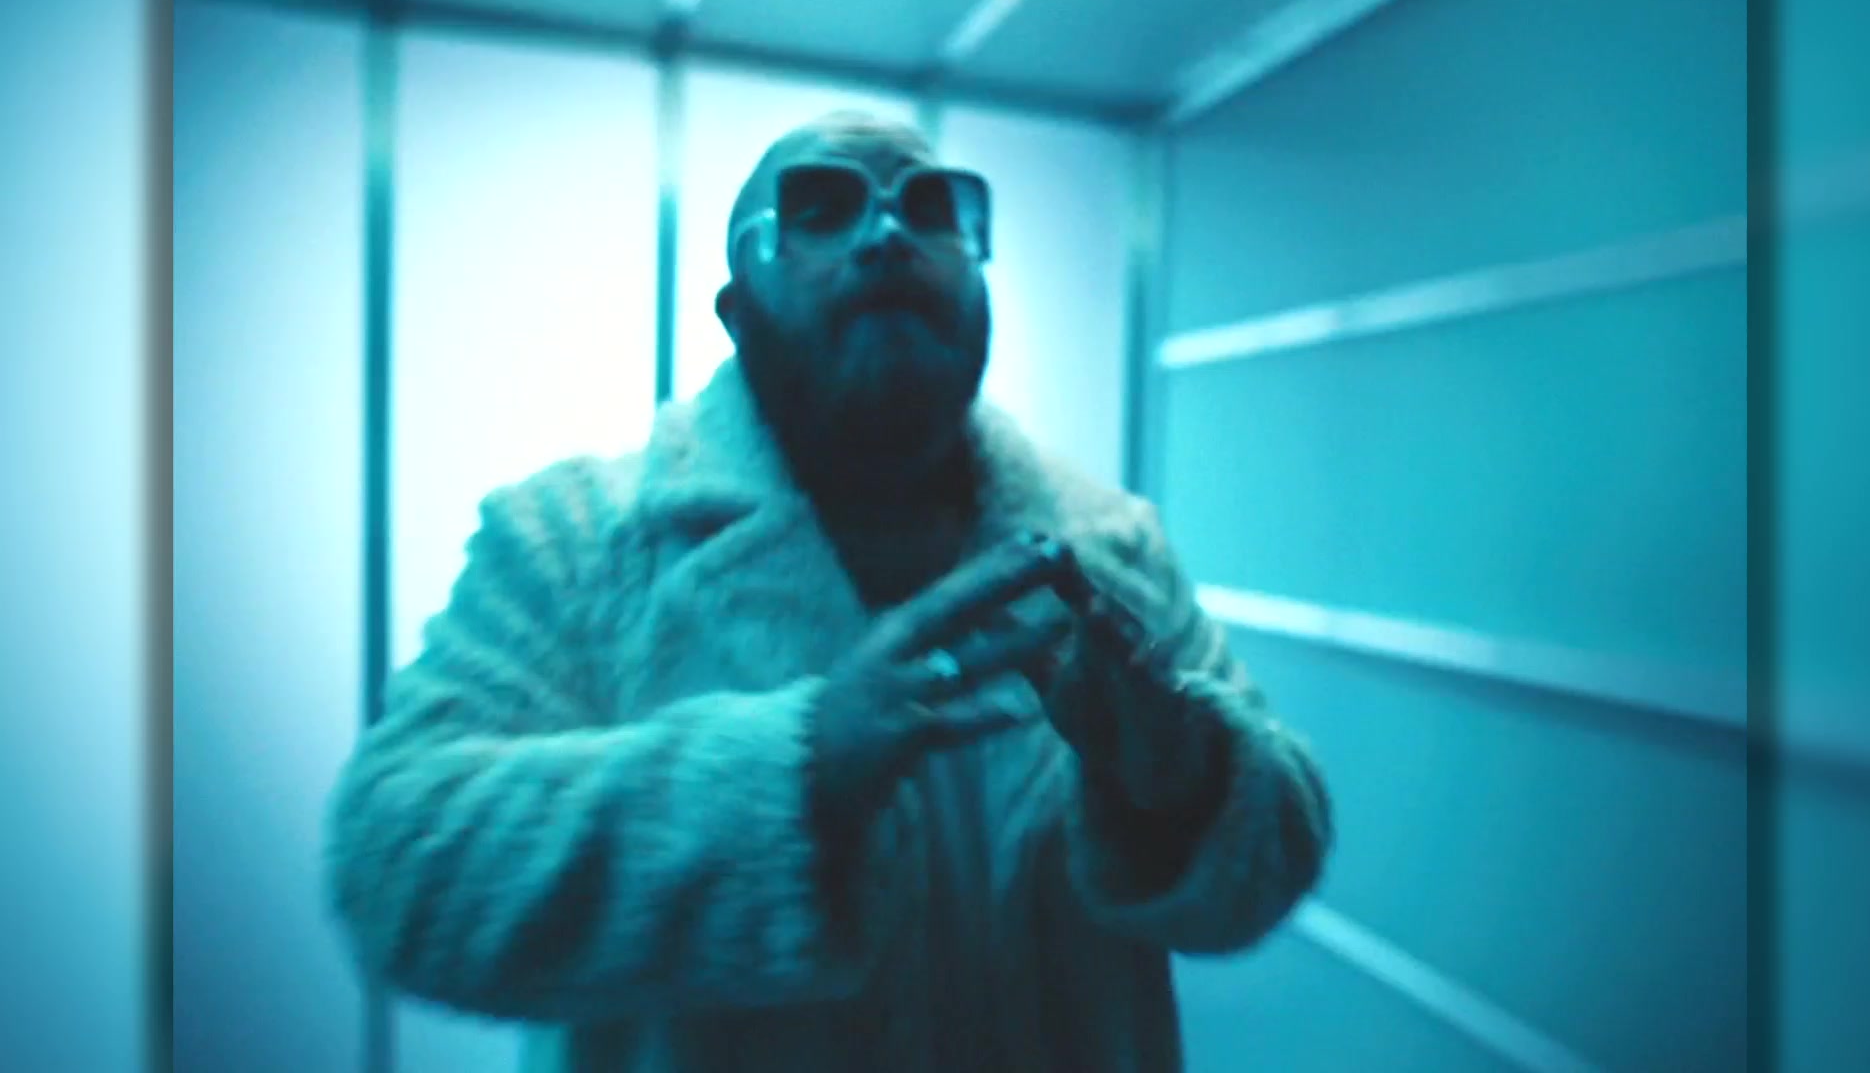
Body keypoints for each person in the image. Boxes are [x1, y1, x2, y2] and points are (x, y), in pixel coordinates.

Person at [323, 110, 1332, 1073]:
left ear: (982, 286)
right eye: (819, 207)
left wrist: (1186, 775)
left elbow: (1281, 852)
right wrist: (800, 766)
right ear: (736, 310)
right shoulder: (574, 539)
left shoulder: (1109, 546)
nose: (887, 234)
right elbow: (398, 867)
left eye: (931, 207)